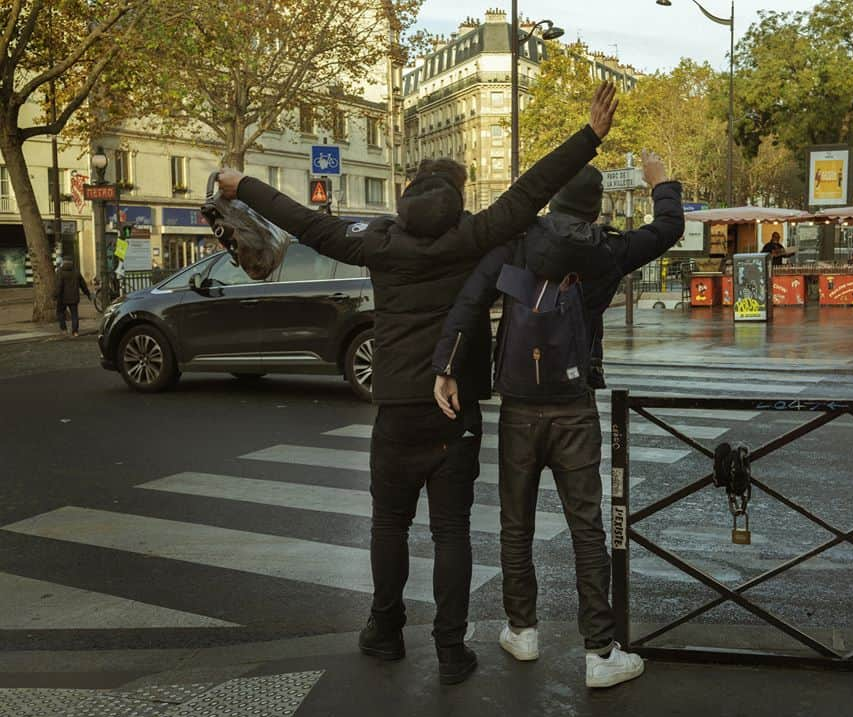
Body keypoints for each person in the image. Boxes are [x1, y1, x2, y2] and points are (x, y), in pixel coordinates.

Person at [213, 82, 620, 686]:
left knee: (388, 524)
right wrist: (589, 135)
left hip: (397, 405)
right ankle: (452, 650)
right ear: (457, 198)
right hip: (454, 407)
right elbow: (533, 186)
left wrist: (239, 185)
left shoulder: (379, 243)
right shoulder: (473, 235)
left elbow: (308, 224)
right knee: (452, 530)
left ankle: (384, 629)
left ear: (405, 199)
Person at [431, 151, 684, 688]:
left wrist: (446, 368)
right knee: (586, 529)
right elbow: (667, 229)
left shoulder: (516, 242)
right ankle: (599, 652)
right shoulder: (608, 250)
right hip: (573, 406)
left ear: (553, 198)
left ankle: (522, 630)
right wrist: (661, 183)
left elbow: (469, 302)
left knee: (515, 523)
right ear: (594, 209)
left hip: (520, 405)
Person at [54, 259, 91, 336]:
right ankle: (75, 332)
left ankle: (64, 329)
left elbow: (58, 286)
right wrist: (87, 293)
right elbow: (83, 284)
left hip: (62, 298)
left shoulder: (60, 272)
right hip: (74, 297)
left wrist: (55, 295)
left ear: (63, 263)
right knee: (74, 314)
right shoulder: (76, 272)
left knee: (60, 313)